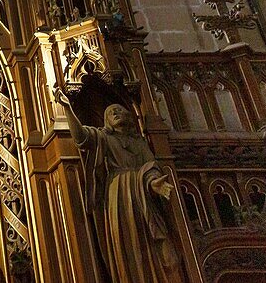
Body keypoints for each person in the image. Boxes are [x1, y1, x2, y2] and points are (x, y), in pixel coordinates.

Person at [54, 89, 185, 283]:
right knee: (127, 246)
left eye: (118, 110)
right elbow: (80, 137)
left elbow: (151, 166)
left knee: (161, 248)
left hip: (143, 196)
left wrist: (154, 182)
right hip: (118, 195)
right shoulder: (103, 138)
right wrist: (67, 108)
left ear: (129, 116)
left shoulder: (139, 142)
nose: (115, 113)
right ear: (107, 122)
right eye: (110, 112)